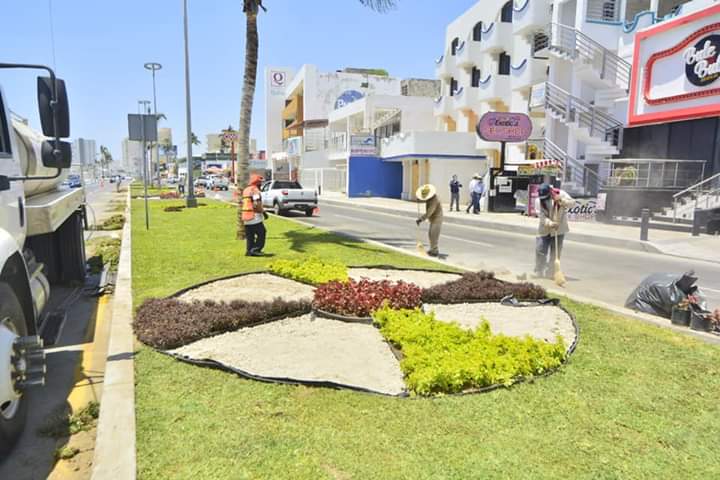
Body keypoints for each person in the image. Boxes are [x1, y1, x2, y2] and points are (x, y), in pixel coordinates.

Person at [534, 183, 575, 278]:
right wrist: (550, 223)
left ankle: (551, 272)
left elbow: (573, 204)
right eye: (542, 198)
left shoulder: (561, 194)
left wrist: (561, 200)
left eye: (546, 197)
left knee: (555, 253)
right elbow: (541, 216)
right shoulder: (538, 201)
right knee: (540, 249)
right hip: (545, 229)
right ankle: (539, 270)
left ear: (550, 193)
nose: (544, 200)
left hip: (559, 229)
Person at [241, 174, 268, 257]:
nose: (261, 185)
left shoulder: (246, 190)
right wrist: (263, 212)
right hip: (254, 216)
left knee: (250, 235)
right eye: (260, 183)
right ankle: (256, 249)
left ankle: (249, 251)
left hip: (245, 216)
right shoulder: (255, 190)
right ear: (257, 183)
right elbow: (257, 203)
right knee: (262, 232)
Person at [415, 184, 443, 257]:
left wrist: (421, 219)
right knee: (430, 234)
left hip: (437, 219)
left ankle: (435, 250)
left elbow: (429, 212)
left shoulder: (434, 200)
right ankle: (432, 249)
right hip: (433, 219)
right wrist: (419, 200)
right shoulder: (430, 199)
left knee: (434, 235)